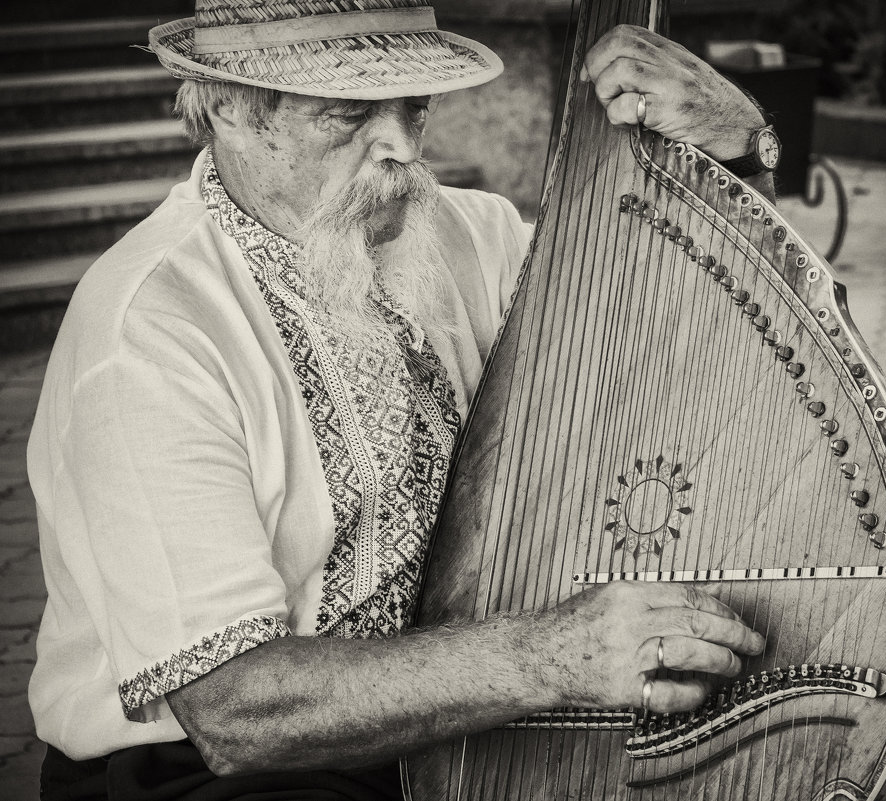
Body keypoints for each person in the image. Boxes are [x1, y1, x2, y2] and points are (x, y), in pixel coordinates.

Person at [27, 2, 776, 798]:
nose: (403, 148)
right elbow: (233, 709)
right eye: (348, 114)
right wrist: (554, 655)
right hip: (228, 768)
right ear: (228, 110)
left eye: (413, 107)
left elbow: (706, 325)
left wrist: (740, 148)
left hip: (467, 713)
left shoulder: (469, 232)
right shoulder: (147, 329)